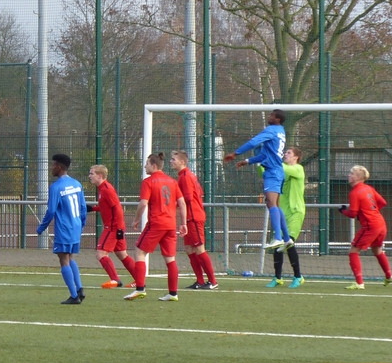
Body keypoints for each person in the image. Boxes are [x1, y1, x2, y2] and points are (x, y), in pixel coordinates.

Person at [224, 109, 293, 252]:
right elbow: (265, 155)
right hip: (277, 171)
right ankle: (286, 239)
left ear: (278, 119)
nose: (269, 117)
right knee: (275, 204)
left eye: (272, 115)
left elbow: (253, 142)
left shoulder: (272, 130)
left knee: (271, 203)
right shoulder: (280, 131)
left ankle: (278, 238)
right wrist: (247, 161)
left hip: (273, 172)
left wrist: (235, 153)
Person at [124, 152, 187, 302]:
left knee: (139, 252)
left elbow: (143, 203)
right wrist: (184, 223)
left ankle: (140, 289)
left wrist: (136, 220)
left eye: (146, 164)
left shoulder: (148, 182)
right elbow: (182, 203)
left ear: (153, 165)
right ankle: (173, 293)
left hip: (156, 223)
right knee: (170, 259)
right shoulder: (172, 181)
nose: (144, 166)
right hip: (170, 225)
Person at [37, 154, 88, 304]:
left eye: (53, 165)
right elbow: (83, 207)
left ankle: (74, 296)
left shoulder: (56, 187)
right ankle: (79, 289)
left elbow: (51, 211)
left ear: (59, 167)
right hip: (76, 226)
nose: (51, 167)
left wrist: (41, 227)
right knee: (70, 257)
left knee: (63, 259)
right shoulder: (77, 184)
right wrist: (81, 224)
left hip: (64, 229)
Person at [339, 164, 392, 290]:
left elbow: (353, 213)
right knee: (377, 250)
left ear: (358, 177)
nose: (349, 175)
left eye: (351, 173)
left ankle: (359, 283)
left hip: (371, 226)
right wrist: (371, 210)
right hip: (381, 223)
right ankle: (389, 276)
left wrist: (342, 211)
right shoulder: (369, 188)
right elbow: (382, 202)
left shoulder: (355, 192)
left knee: (353, 251)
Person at [169, 150, 219, 291]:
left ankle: (213, 281)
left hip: (194, 216)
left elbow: (188, 198)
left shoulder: (185, 177)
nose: (171, 161)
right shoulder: (185, 175)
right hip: (190, 217)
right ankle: (200, 280)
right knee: (189, 248)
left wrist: (172, 204)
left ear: (182, 162)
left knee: (199, 248)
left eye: (173, 159)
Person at [86, 165, 136, 289]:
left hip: (113, 227)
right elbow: (106, 207)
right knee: (122, 254)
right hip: (116, 227)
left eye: (92, 174)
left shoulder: (106, 189)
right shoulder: (102, 189)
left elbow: (117, 208)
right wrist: (92, 208)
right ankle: (139, 280)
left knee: (101, 254)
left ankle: (115, 280)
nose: (89, 176)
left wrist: (117, 227)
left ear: (100, 176)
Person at [264, 147, 306, 289]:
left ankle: (298, 276)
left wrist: (271, 160)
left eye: (288, 153)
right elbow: (264, 172)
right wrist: (259, 163)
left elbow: (282, 168)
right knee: (278, 244)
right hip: (283, 212)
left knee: (288, 243)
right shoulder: (281, 169)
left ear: (296, 157)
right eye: (285, 152)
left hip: (296, 212)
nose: (285, 154)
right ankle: (277, 278)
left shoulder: (298, 169)